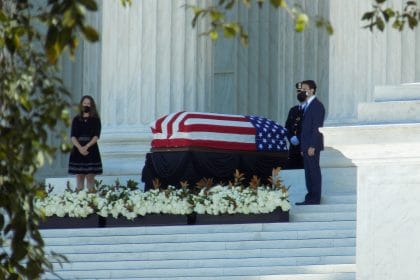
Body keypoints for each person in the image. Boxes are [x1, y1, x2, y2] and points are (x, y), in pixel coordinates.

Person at [295, 80, 325, 205]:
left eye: (305, 88)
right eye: (301, 89)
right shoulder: (307, 106)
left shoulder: (317, 106)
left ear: (312, 90)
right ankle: (310, 197)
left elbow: (316, 128)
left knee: (313, 171)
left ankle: (315, 197)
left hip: (312, 146)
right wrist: (303, 147)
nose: (302, 91)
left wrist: (312, 145)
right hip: (306, 146)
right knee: (308, 173)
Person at [68, 95, 103, 192]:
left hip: (91, 150)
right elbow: (73, 136)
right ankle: (79, 203)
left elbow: (96, 136)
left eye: (88, 103)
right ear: (81, 105)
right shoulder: (76, 119)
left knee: (90, 178)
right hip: (78, 151)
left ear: (92, 105)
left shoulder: (96, 120)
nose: (86, 105)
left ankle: (91, 203)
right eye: (84, 103)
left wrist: (86, 147)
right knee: (79, 178)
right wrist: (80, 148)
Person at [284, 82, 306, 169]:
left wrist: (299, 138)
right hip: (293, 149)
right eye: (299, 91)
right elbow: (287, 127)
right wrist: (290, 137)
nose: (300, 93)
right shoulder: (293, 110)